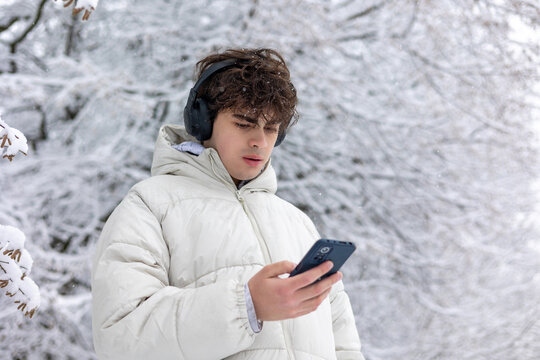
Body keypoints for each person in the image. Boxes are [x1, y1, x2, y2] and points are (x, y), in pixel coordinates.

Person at [91, 48, 364, 360]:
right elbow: (120, 338)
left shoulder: (297, 222)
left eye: (271, 128)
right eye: (244, 123)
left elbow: (344, 347)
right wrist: (245, 307)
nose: (259, 141)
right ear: (203, 122)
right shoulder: (150, 206)